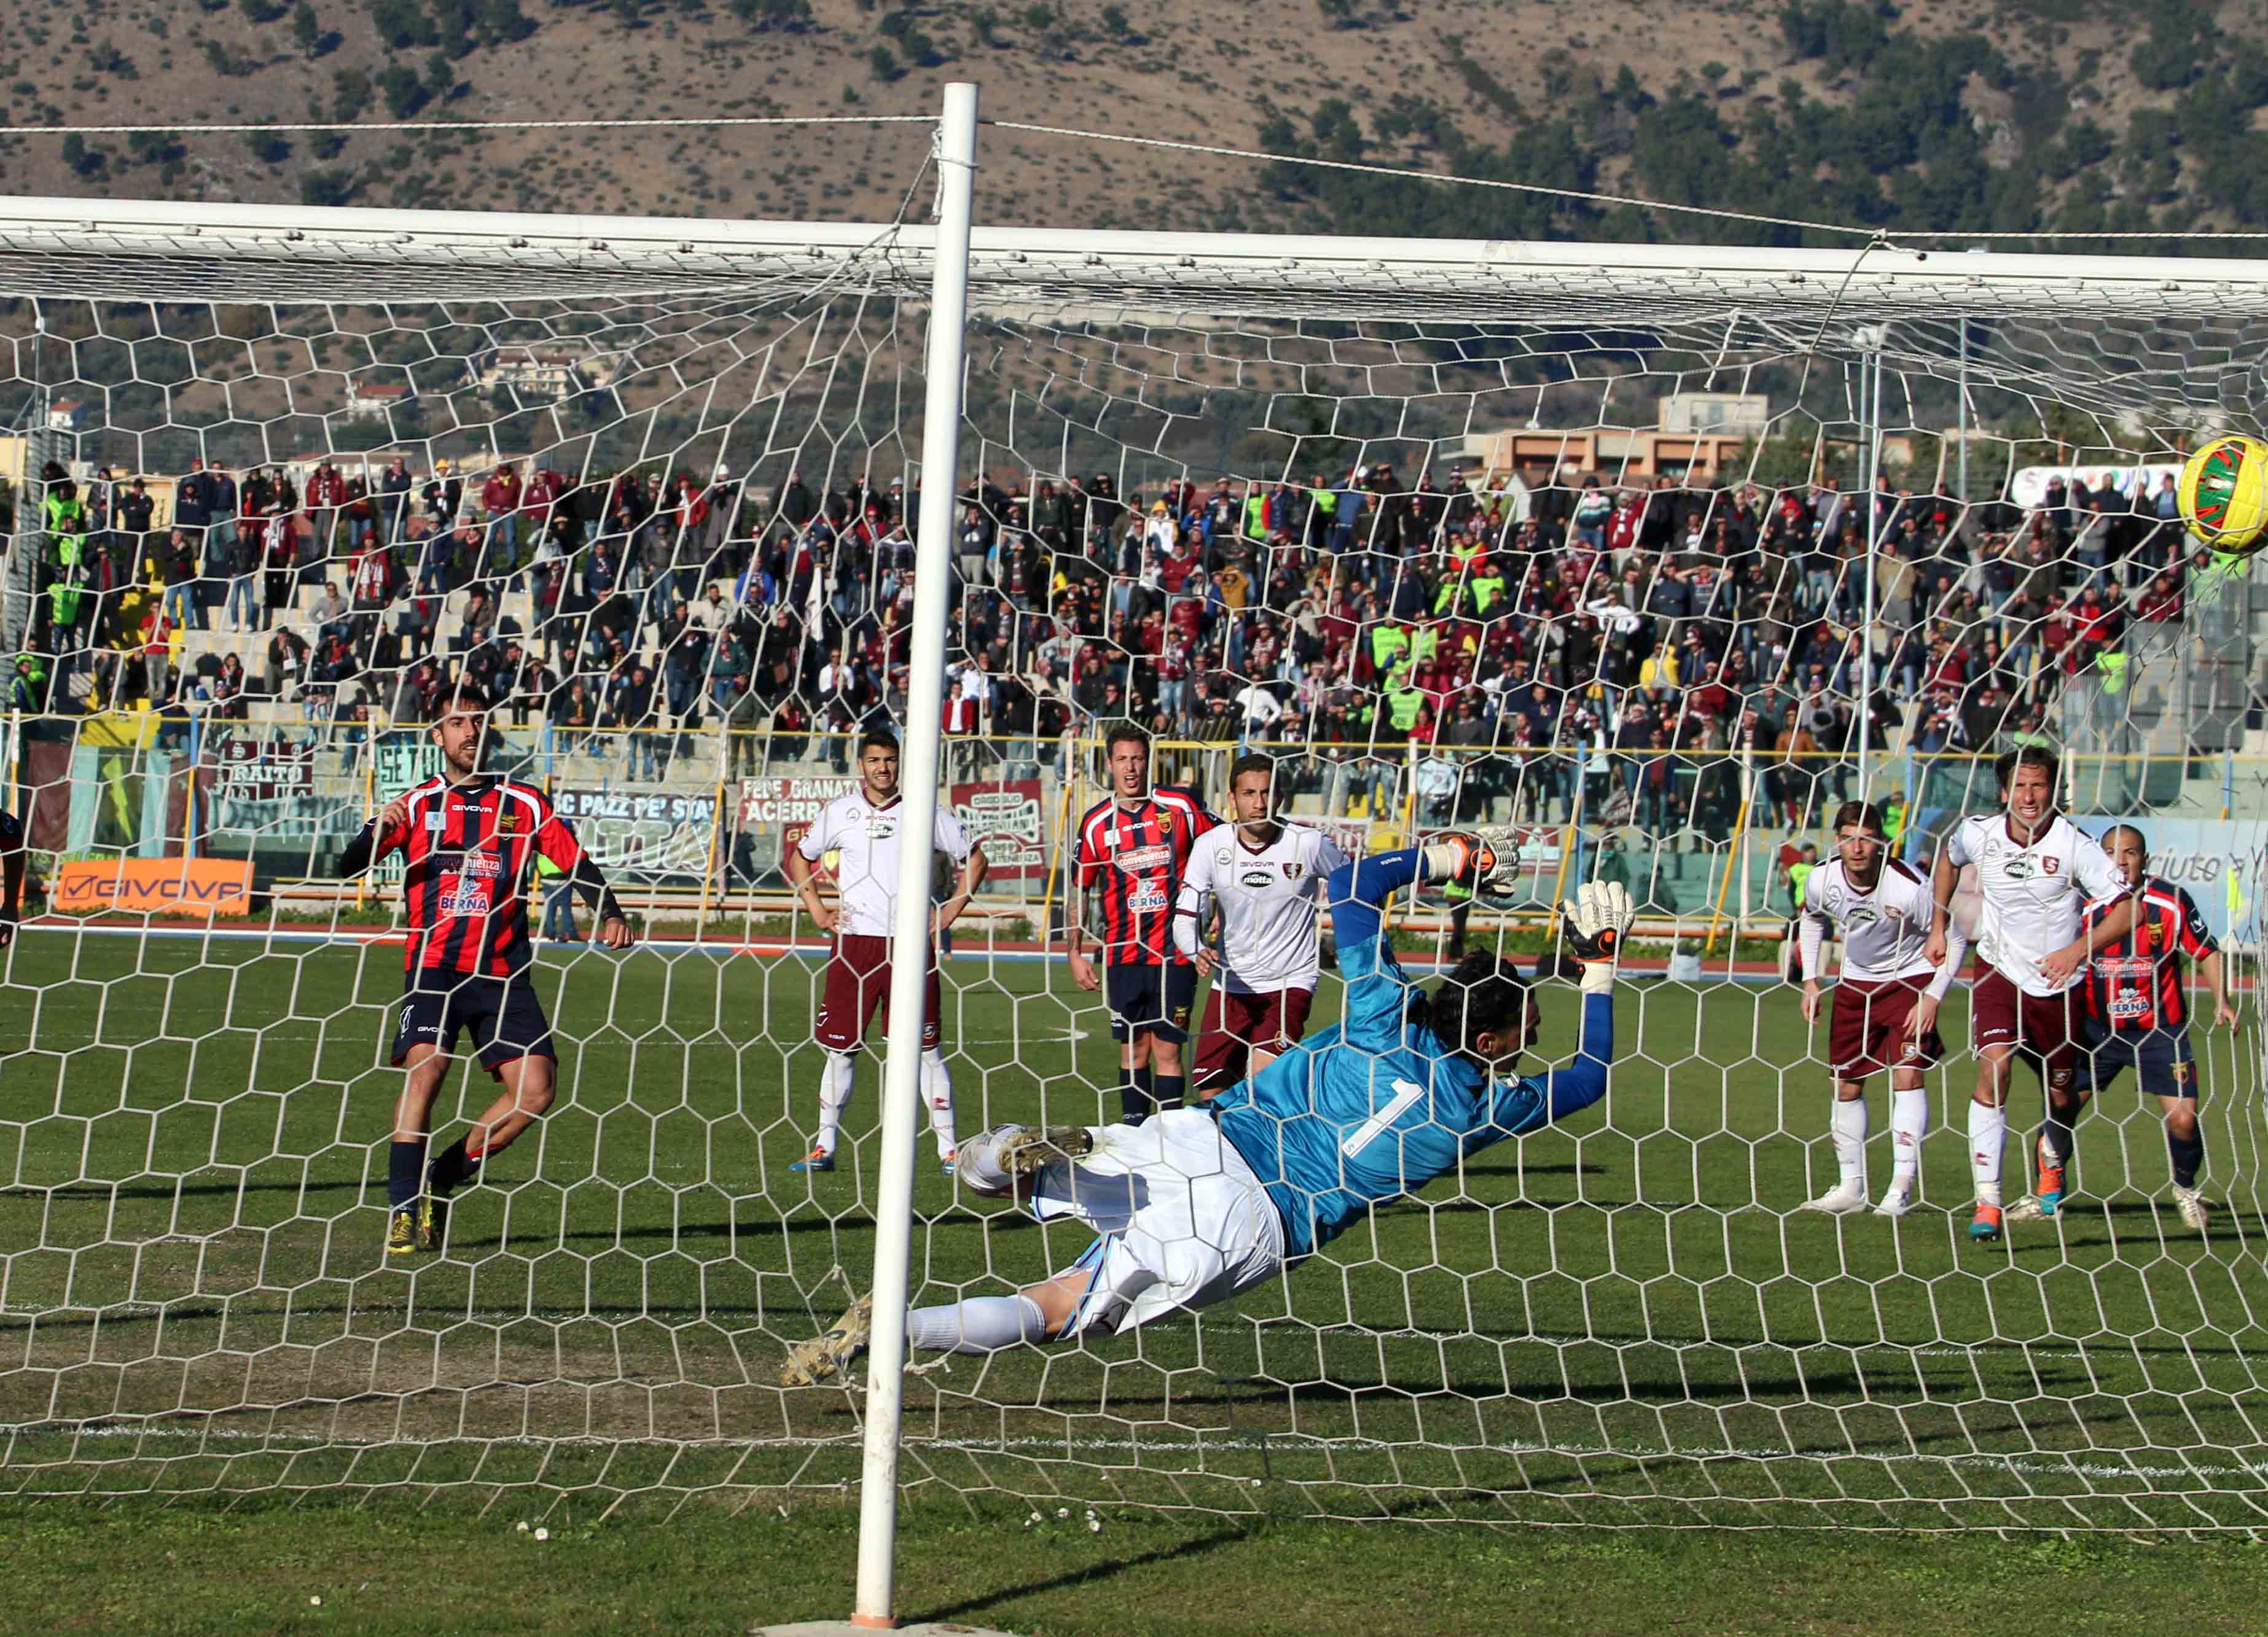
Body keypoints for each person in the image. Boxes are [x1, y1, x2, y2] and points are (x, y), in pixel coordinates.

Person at [779, 845, 1633, 1388]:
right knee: (1061, 1308)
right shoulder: (1485, 1108)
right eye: (1526, 1032)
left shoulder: (1381, 1011)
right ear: (1486, 1041)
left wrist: (1450, 858)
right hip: (1255, 1224)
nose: (1531, 1044)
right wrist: (1598, 972)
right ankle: (892, 1331)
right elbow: (1590, 1076)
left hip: (1202, 1141)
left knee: (1027, 1182)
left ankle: (998, 1154)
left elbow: (1355, 882)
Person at [335, 679, 634, 1260]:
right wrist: (375, 830)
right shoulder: (416, 804)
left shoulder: (524, 803)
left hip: (502, 974)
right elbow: (348, 867)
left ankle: (441, 1177)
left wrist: (611, 911)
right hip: (435, 968)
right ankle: (402, 1211)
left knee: (536, 1091)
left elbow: (575, 861)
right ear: (437, 734)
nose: (470, 731)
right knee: (427, 1072)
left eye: (478, 720)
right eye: (458, 721)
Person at [1926, 746, 2135, 1243]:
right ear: (2004, 792)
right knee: (1994, 1068)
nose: (2028, 796)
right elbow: (1947, 861)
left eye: (2038, 785)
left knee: (2061, 1094)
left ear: (2053, 791)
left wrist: (2077, 950)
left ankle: (2052, 1157)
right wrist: (1938, 924)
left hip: (2059, 986)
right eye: (2019, 785)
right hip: (1998, 971)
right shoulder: (1978, 832)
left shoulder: (2074, 844)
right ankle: (1988, 1200)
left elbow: (2130, 910)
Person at [781, 728, 988, 1175]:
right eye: (874, 760)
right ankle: (824, 1147)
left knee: (925, 1050)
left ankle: (949, 1151)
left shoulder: (924, 811)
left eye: (890, 759)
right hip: (855, 944)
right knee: (841, 1050)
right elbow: (799, 858)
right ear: (861, 765)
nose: (883, 768)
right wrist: (817, 908)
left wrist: (950, 911)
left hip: (910, 946)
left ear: (900, 763)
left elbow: (976, 858)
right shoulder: (840, 812)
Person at [2013, 824, 2237, 1231]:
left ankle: (2186, 1190)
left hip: (2160, 1032)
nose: (2120, 861)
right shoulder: (2080, 901)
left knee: (2184, 1119)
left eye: (2130, 853)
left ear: (2144, 860)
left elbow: (2206, 950)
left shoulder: (2169, 900)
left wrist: (2222, 1000)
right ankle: (2047, 1196)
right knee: (2059, 1106)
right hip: (2095, 1031)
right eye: (2111, 852)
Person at [1797, 801, 1967, 1218]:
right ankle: (1851, 1188)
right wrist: (1811, 980)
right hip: (1856, 983)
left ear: (1882, 843)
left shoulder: (1909, 887)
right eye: (1848, 838)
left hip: (1909, 979)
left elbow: (1956, 938)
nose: (1857, 848)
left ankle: (1899, 1189)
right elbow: (1812, 920)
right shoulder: (1821, 879)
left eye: (1867, 838)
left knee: (1907, 1076)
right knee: (1845, 1084)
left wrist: (1933, 995)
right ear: (1837, 841)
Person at [1065, 723, 1217, 1124]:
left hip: (1175, 953)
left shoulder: (1180, 807)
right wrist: (1074, 952)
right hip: (1123, 954)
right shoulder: (1096, 822)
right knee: (1133, 1050)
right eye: (1122, 759)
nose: (1130, 768)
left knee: (1168, 1050)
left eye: (1137, 758)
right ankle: (1135, 1135)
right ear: (1109, 764)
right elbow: (1079, 890)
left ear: (1149, 761)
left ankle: (1170, 1137)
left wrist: (1222, 907)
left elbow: (1224, 847)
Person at [1171, 752, 1347, 1098]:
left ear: (1280, 797)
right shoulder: (1210, 846)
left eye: (1267, 792)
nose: (1259, 803)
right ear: (1232, 798)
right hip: (1231, 983)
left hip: (1289, 981)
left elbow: (1355, 884)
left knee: (1262, 1081)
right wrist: (1195, 950)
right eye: (1249, 794)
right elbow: (1185, 917)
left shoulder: (1308, 843)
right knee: (1211, 1092)